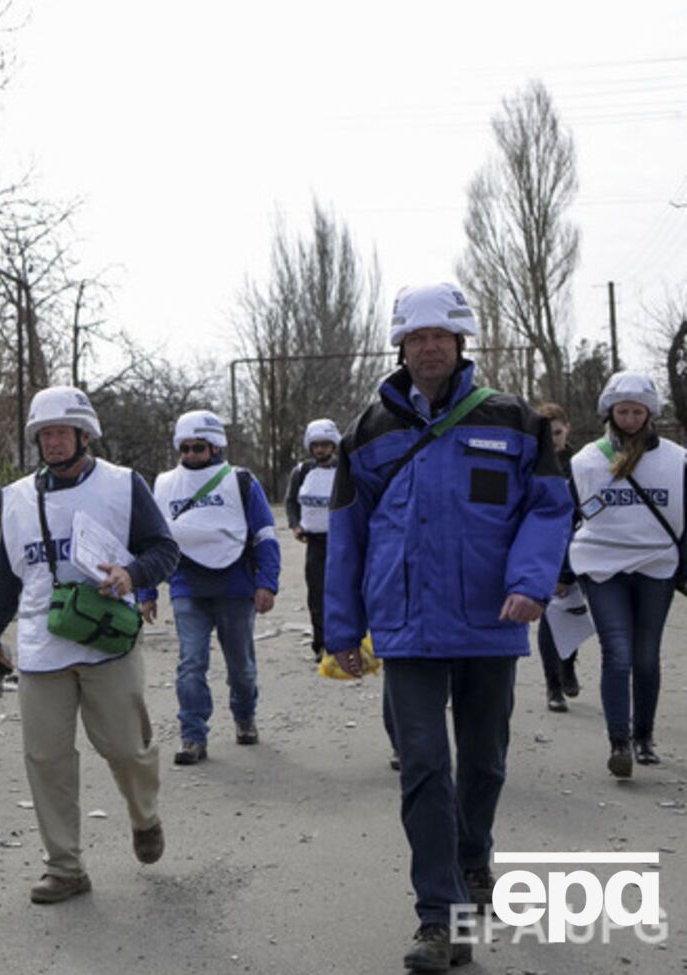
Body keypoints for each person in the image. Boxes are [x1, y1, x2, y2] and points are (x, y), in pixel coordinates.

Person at [325, 283, 572, 972]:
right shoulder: (368, 431)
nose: (429, 346)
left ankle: (471, 858)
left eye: (440, 335)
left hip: (492, 619)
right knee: (425, 765)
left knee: (485, 762)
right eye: (417, 336)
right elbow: (347, 532)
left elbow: (549, 507)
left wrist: (530, 581)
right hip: (406, 625)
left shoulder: (514, 420)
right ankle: (439, 917)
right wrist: (342, 629)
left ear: (460, 342)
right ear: (401, 346)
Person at [0, 386, 179, 905]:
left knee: (127, 748)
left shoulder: (122, 485)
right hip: (42, 644)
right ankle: (65, 868)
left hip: (107, 639)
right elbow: (6, 573)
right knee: (46, 758)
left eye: (61, 432)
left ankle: (145, 816)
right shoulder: (18, 498)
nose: (52, 442)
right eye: (44, 434)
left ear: (84, 436)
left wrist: (132, 574)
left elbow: (164, 549)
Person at [139, 409, 278, 766]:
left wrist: (267, 582)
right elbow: (152, 541)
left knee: (241, 668)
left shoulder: (241, 482)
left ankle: (245, 716)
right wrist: (147, 592)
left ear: (215, 447)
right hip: (187, 585)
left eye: (197, 448)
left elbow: (264, 534)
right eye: (184, 448)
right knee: (190, 664)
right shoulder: (165, 484)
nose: (190, 455)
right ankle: (193, 736)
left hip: (236, 587)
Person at [567, 372, 685, 776]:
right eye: (623, 412)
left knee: (646, 656)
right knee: (617, 653)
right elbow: (568, 517)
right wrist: (562, 573)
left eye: (637, 412)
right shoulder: (586, 461)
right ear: (610, 412)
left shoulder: (677, 460)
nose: (630, 419)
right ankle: (619, 742)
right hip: (602, 567)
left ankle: (644, 737)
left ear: (650, 413)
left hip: (657, 566)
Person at [533, 402, 581, 713]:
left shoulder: (580, 465)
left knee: (572, 613)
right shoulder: (531, 463)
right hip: (543, 549)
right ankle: (553, 684)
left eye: (558, 433)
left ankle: (568, 665)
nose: (553, 440)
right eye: (547, 434)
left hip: (577, 549)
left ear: (567, 430)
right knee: (549, 617)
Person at [286, 418, 340, 664]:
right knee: (317, 595)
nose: (320, 450)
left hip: (341, 541)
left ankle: (347, 641)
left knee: (344, 592)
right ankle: (322, 644)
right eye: (315, 445)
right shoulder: (302, 472)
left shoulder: (345, 470)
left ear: (333, 445)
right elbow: (291, 502)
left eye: (325, 445)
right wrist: (295, 525)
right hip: (315, 542)